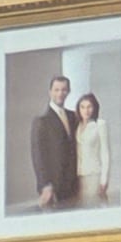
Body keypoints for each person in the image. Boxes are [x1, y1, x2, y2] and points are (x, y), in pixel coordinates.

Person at [30, 72, 79, 210]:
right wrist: (45, 185)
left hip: (74, 183)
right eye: (56, 90)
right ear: (50, 92)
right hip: (54, 186)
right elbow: (38, 156)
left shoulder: (73, 116)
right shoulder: (41, 122)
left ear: (68, 92)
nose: (60, 93)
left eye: (64, 90)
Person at [73, 87, 111, 207]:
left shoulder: (100, 124)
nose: (86, 110)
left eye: (89, 106)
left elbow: (105, 153)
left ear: (94, 108)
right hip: (78, 175)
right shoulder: (77, 126)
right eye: (82, 107)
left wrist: (104, 179)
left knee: (92, 206)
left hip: (94, 174)